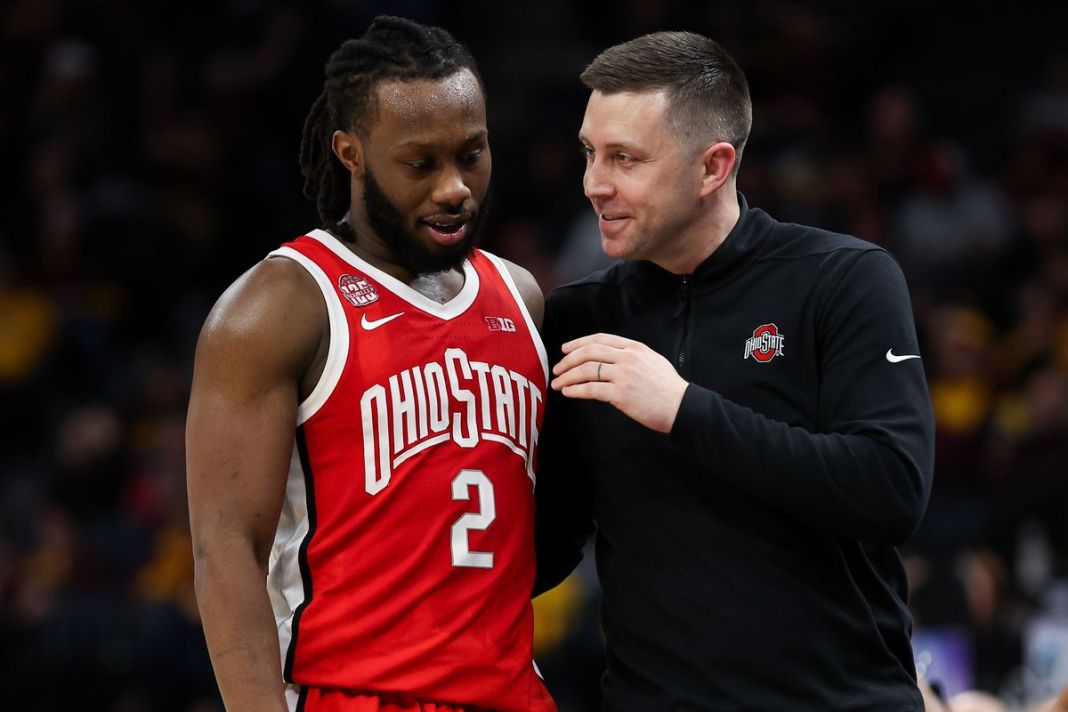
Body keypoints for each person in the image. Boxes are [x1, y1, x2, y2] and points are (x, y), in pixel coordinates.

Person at [534, 31, 936, 710]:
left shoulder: (845, 279)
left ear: (713, 167)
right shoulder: (579, 316)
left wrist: (683, 409)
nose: (594, 183)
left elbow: (891, 489)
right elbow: (550, 538)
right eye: (589, 153)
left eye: (625, 158)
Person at [186, 16, 556, 712]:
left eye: (471, 155)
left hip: (510, 694)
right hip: (353, 694)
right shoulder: (281, 305)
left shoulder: (521, 297)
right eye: (421, 164)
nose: (454, 187)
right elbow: (225, 548)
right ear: (350, 152)